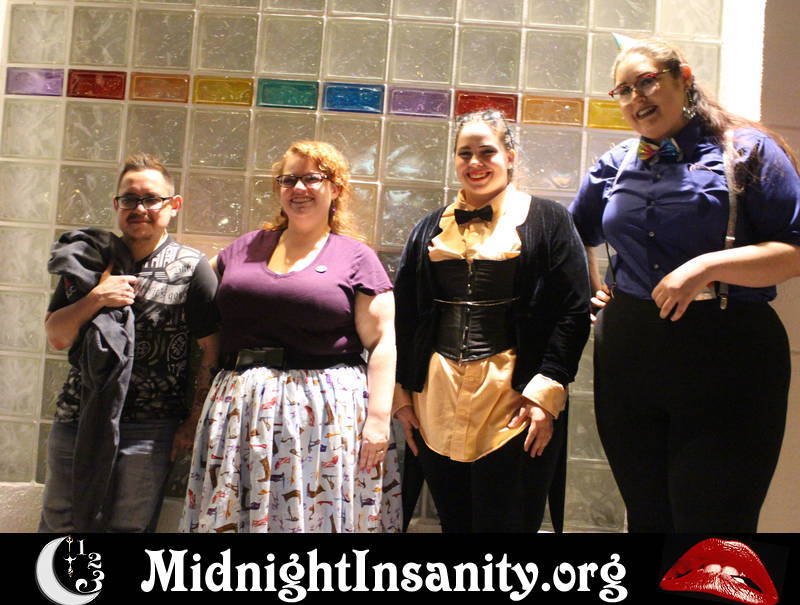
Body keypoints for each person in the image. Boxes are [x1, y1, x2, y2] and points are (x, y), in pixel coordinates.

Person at [569, 38, 800, 532]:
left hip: (729, 351)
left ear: (683, 77)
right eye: (623, 90)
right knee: (647, 517)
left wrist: (706, 267)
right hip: (629, 356)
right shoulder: (616, 162)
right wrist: (595, 288)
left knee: (715, 525)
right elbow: (571, 236)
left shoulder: (748, 150)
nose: (636, 98)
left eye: (646, 82)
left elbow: (794, 252)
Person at [181, 141, 401, 533]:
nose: (298, 188)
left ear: (335, 187)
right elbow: (198, 290)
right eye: (288, 180)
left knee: (315, 517)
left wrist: (379, 421)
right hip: (241, 410)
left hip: (324, 415)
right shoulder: (246, 247)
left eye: (312, 178)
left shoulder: (355, 257)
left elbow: (383, 342)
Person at [393, 110, 591, 533]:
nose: (475, 163)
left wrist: (546, 394)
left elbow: (573, 311)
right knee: (454, 526)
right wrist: (402, 397)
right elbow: (406, 315)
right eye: (465, 153)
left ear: (510, 156)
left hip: (514, 403)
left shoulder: (549, 220)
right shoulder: (429, 227)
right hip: (436, 401)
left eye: (487, 152)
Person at [41, 153, 220, 533]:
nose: (139, 208)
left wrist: (192, 422)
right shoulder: (88, 260)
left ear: (173, 205)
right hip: (78, 419)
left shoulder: (192, 268)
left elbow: (212, 350)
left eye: (151, 199)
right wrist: (96, 298)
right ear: (116, 204)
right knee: (61, 527)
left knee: (128, 530)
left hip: (149, 428)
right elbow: (57, 335)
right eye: (129, 199)